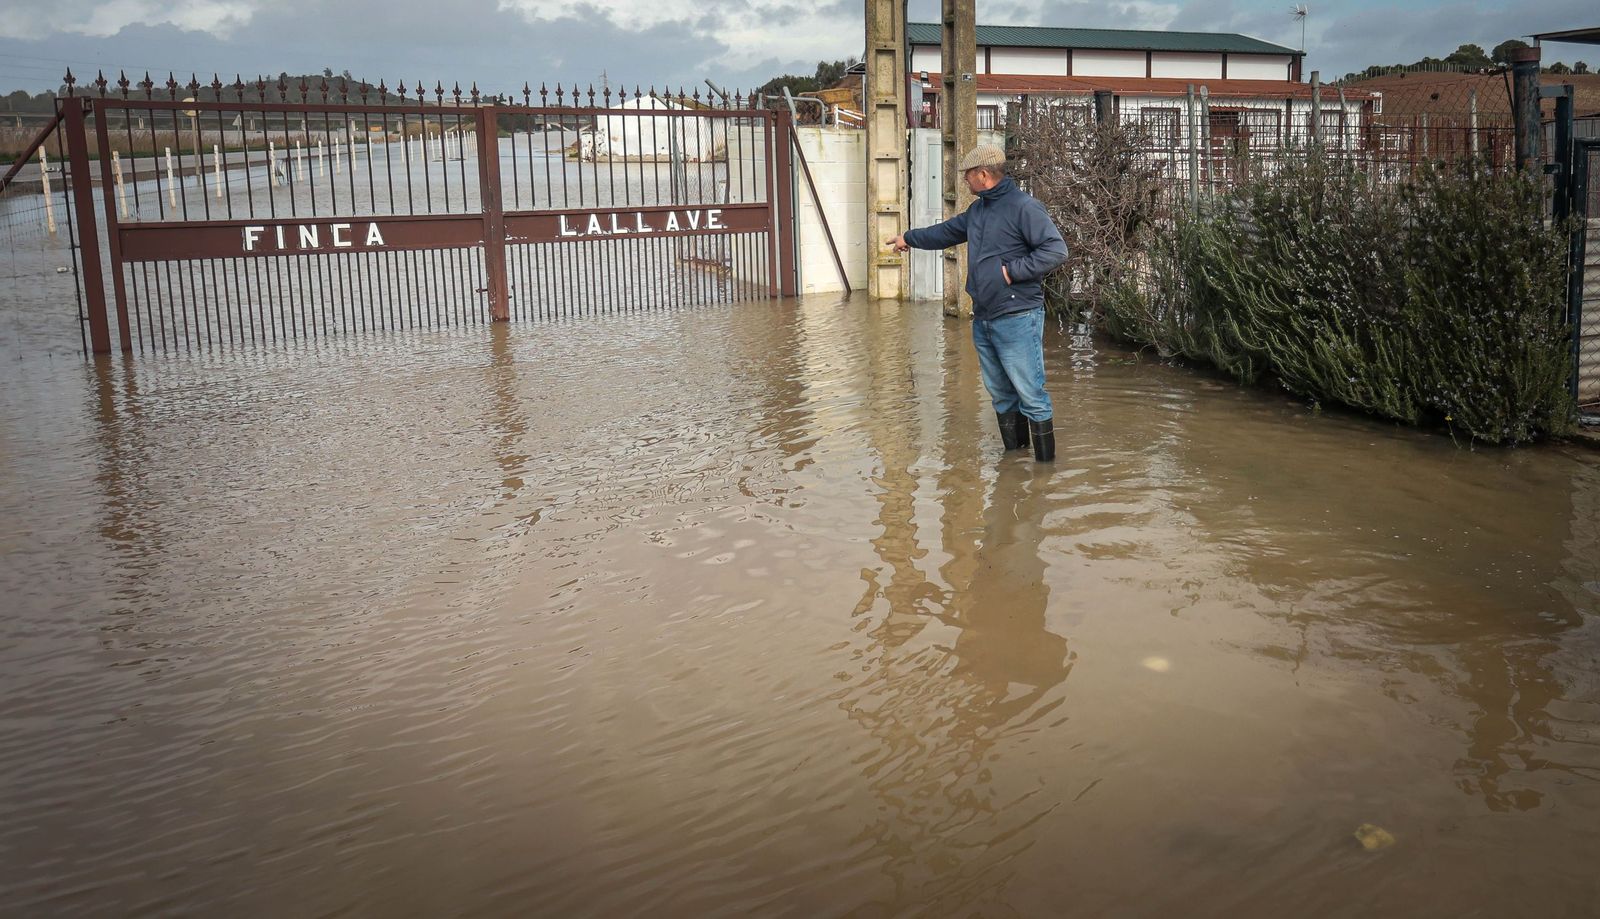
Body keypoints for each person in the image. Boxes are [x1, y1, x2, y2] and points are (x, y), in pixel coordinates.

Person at [887, 145, 1068, 462]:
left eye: (968, 176)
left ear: (983, 175)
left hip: (1017, 315)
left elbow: (1055, 250)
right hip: (984, 318)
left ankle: (1043, 475)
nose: (965, 182)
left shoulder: (1024, 207)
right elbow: (945, 232)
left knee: (1031, 394)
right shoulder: (979, 210)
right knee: (1001, 395)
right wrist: (908, 238)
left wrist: (1012, 272)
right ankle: (1016, 465)